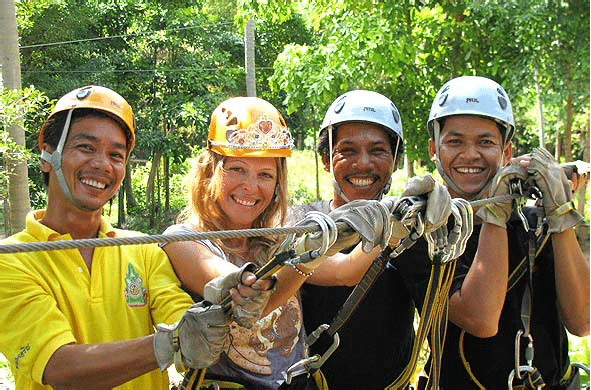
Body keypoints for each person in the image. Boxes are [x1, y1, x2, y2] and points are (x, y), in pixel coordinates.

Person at [0, 85, 230, 390]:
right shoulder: (11, 260)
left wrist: (226, 307)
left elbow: (183, 323)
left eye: (116, 155)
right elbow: (58, 367)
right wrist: (168, 344)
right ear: (47, 155)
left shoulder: (142, 249)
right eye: (86, 147)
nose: (102, 164)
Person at [160, 96, 393, 390]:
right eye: (237, 169)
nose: (251, 186)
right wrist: (306, 259)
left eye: (265, 175)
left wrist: (389, 228)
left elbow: (345, 272)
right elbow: (253, 296)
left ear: (277, 184)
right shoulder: (183, 240)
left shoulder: (276, 237)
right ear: (210, 171)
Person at [397, 75, 590, 389]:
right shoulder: (420, 235)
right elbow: (481, 319)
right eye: (455, 142)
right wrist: (495, 216)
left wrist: (560, 214)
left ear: (507, 150)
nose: (470, 155)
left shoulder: (534, 225)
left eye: (486, 142)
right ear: (434, 148)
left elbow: (582, 321)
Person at [289, 90, 453, 389]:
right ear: (326, 159)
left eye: (377, 151)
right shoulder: (301, 225)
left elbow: (442, 324)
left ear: (395, 160)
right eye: (347, 151)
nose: (363, 163)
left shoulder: (412, 235)